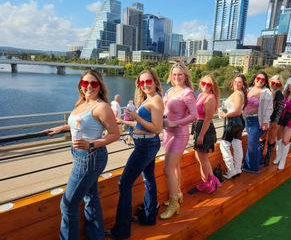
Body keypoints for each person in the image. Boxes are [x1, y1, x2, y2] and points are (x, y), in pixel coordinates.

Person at [44, 70, 120, 240]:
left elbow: (115, 134)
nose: (89, 87)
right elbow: (78, 124)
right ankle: (97, 236)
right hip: (80, 155)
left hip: (90, 157)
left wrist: (90, 144)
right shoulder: (81, 104)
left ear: (100, 86)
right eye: (85, 83)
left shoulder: (102, 107)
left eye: (94, 83)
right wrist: (61, 128)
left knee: (68, 204)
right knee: (90, 197)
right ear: (81, 85)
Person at [106, 69, 164, 240]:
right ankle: (148, 217)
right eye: (141, 82)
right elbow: (143, 125)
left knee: (124, 184)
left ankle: (121, 230)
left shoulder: (156, 100)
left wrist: (136, 117)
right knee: (149, 180)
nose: (145, 85)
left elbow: (156, 128)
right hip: (145, 143)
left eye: (148, 81)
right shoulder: (149, 99)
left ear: (155, 81)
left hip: (145, 145)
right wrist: (124, 121)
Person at [160, 63, 197, 219]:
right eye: (174, 74)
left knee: (167, 169)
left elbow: (194, 115)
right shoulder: (170, 90)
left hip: (179, 134)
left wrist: (176, 122)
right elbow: (164, 109)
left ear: (186, 75)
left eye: (180, 74)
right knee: (174, 167)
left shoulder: (187, 93)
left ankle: (174, 202)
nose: (176, 77)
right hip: (167, 133)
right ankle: (178, 193)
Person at [194, 75, 221, 193]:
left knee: (203, 159)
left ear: (212, 87)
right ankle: (209, 180)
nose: (205, 86)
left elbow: (208, 118)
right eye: (203, 83)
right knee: (199, 157)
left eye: (208, 84)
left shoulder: (210, 98)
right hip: (198, 126)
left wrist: (201, 135)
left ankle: (209, 183)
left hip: (205, 129)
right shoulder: (200, 95)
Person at [242, 71, 273, 173]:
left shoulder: (267, 92)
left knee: (251, 143)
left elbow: (269, 109)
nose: (260, 81)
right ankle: (259, 161)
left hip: (257, 121)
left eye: (263, 79)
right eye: (258, 78)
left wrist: (265, 122)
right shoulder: (248, 89)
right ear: (254, 79)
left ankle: (251, 167)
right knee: (254, 143)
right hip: (247, 119)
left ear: (265, 82)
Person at [218, 75, 248, 179]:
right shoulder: (239, 93)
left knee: (224, 145)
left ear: (243, 84)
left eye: (239, 82)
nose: (236, 83)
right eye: (235, 81)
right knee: (237, 145)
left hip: (233, 123)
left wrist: (224, 115)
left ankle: (231, 170)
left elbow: (238, 111)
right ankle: (237, 169)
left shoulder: (238, 94)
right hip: (238, 123)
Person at [260, 75, 284, 166]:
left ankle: (267, 158)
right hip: (264, 118)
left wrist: (275, 121)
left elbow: (280, 109)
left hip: (274, 119)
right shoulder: (265, 91)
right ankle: (260, 156)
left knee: (271, 137)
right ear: (269, 82)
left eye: (277, 84)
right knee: (262, 136)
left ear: (280, 85)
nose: (274, 85)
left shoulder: (279, 94)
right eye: (273, 83)